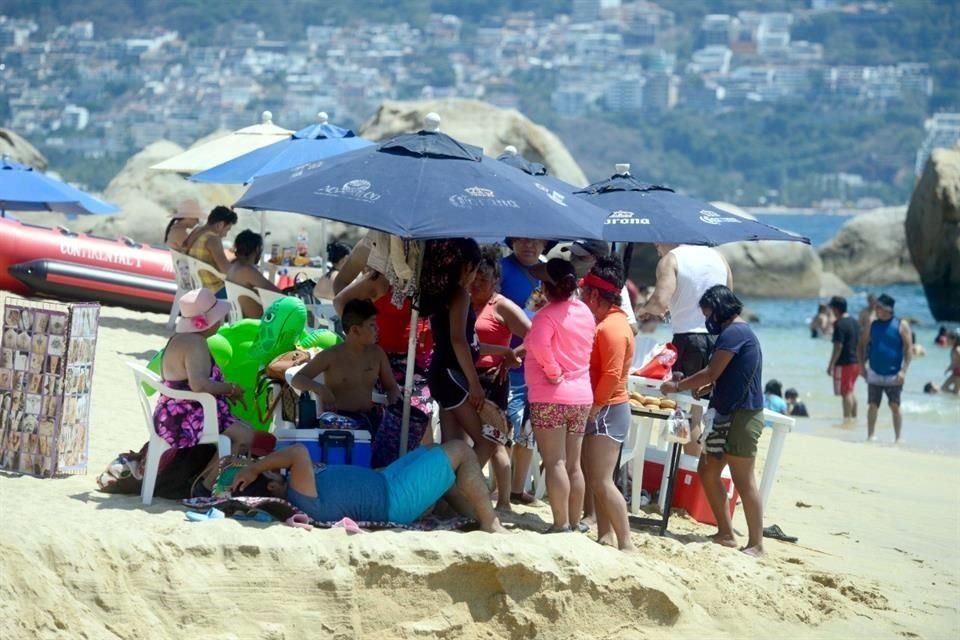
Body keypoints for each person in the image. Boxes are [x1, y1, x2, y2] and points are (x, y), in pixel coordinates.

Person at [660, 285, 765, 557]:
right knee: (707, 471)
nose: (707, 319)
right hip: (724, 412)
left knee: (744, 480)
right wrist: (708, 388)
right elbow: (727, 374)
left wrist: (678, 385)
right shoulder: (736, 332)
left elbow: (711, 371)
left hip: (742, 415)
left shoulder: (735, 333)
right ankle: (726, 533)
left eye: (708, 313)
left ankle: (756, 543)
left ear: (719, 309)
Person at [230, 440, 507, 532]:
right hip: (394, 499)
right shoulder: (296, 492)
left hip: (387, 482)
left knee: (433, 450)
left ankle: (470, 515)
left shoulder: (298, 492)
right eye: (271, 474)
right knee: (459, 450)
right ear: (270, 488)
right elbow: (298, 452)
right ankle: (490, 524)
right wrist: (255, 467)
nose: (276, 472)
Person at [422, 239, 513, 512]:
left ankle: (445, 497)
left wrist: (501, 350)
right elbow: (459, 341)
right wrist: (474, 383)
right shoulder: (459, 294)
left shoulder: (441, 292)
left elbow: (466, 342)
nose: (476, 277)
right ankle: (459, 491)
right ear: (467, 267)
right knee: (489, 437)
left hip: (442, 373)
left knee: (453, 443)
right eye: (475, 270)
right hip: (452, 375)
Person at [637, 243, 732, 456]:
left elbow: (660, 302)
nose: (656, 249)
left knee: (689, 411)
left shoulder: (672, 259)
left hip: (690, 340)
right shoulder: (719, 258)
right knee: (711, 409)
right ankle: (703, 469)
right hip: (721, 338)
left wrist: (643, 311)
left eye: (656, 244)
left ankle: (690, 470)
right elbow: (730, 300)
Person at [524, 258, 595, 533]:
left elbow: (541, 346)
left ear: (547, 286)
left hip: (550, 394)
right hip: (581, 396)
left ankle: (560, 523)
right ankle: (575, 523)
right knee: (574, 464)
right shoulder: (585, 312)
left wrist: (553, 373)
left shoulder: (546, 316)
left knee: (555, 462)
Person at [154, 288, 254, 454]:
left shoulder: (179, 339)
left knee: (243, 428)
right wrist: (231, 389)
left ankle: (209, 477)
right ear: (212, 321)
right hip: (183, 419)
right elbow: (199, 385)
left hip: (169, 414)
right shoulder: (195, 343)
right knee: (245, 436)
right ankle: (211, 480)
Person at [579, 257, 635, 550]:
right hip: (605, 407)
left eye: (585, 292)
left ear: (594, 295)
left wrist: (595, 407)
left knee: (602, 481)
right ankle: (605, 534)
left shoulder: (612, 327)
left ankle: (626, 542)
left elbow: (612, 374)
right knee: (596, 478)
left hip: (608, 409)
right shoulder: (610, 322)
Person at [291, 299, 401, 431]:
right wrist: (320, 389)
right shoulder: (332, 355)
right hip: (340, 419)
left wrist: (396, 408)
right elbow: (297, 379)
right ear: (355, 330)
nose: (377, 329)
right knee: (336, 425)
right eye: (372, 325)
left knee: (405, 429)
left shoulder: (377, 353)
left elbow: (391, 387)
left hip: (369, 417)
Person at [499, 237, 546, 505]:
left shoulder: (547, 274)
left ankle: (517, 489)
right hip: (506, 359)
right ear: (513, 242)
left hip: (537, 363)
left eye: (535, 242)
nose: (529, 245)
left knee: (529, 426)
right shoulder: (501, 269)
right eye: (523, 241)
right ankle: (501, 487)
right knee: (505, 424)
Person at [471, 246, 531, 412]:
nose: (476, 284)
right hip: (462, 376)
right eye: (474, 278)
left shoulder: (501, 306)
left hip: (491, 379)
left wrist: (510, 357)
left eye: (483, 280)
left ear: (495, 281)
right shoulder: (462, 303)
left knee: (490, 435)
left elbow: (536, 336)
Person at [541, 240, 639, 334]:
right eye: (573, 254)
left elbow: (632, 329)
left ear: (598, 260)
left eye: (581, 256)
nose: (574, 259)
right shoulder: (561, 279)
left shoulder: (613, 288)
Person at [858, 293, 912, 443]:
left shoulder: (901, 325)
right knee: (873, 405)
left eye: (879, 307)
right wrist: (861, 366)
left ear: (888, 309)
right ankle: (870, 435)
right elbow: (861, 345)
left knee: (895, 405)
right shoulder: (873, 325)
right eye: (876, 307)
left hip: (894, 374)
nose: (875, 309)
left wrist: (904, 371)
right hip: (874, 372)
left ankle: (898, 438)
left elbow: (908, 349)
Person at [183, 205, 238, 298]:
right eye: (227, 229)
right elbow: (226, 270)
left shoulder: (196, 231)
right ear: (220, 225)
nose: (225, 235)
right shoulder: (213, 238)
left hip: (198, 284)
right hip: (214, 290)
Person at [225, 230, 280, 318]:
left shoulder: (234, 266)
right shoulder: (247, 270)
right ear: (257, 249)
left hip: (240, 319)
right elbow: (277, 293)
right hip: (257, 322)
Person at [827, 296, 860, 424]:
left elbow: (838, 346)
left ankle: (847, 419)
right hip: (856, 362)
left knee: (846, 392)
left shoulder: (839, 324)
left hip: (844, 363)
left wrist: (831, 364)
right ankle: (854, 418)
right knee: (851, 391)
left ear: (836, 309)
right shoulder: (855, 322)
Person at [941, 329, 960, 394]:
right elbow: (953, 362)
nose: (946, 341)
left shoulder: (957, 350)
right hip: (955, 372)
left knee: (955, 391)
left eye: (948, 339)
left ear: (954, 340)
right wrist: (948, 369)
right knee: (943, 388)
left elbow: (956, 362)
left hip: (959, 372)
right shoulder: (953, 350)